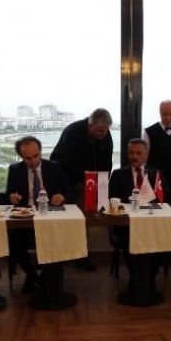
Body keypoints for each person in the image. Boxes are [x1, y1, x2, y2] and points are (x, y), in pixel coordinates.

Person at [7, 136, 74, 293]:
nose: (33, 161)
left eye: (36, 156)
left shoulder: (53, 167)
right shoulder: (15, 170)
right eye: (27, 158)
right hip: (26, 217)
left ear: (41, 152)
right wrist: (12, 197)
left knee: (63, 237)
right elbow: (9, 194)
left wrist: (62, 196)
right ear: (21, 157)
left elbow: (70, 191)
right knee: (14, 239)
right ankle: (31, 275)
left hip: (50, 216)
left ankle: (46, 275)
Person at [50, 108, 114, 271]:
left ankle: (79, 253)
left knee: (92, 215)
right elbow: (72, 165)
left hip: (90, 179)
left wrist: (102, 185)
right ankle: (75, 256)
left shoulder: (105, 134)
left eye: (106, 130)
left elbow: (107, 163)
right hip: (66, 179)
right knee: (78, 218)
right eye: (100, 131)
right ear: (90, 125)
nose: (104, 134)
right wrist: (87, 187)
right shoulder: (73, 133)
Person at [108, 139, 168, 278]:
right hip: (128, 226)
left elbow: (165, 196)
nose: (134, 156)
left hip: (152, 224)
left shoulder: (155, 174)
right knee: (131, 240)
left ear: (146, 154)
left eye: (139, 153)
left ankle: (149, 278)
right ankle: (136, 279)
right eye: (131, 153)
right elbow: (112, 199)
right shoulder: (118, 174)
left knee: (162, 237)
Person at [142, 100, 171, 202]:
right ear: (160, 113)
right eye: (165, 114)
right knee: (155, 207)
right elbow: (143, 157)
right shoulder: (149, 132)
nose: (168, 117)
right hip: (155, 179)